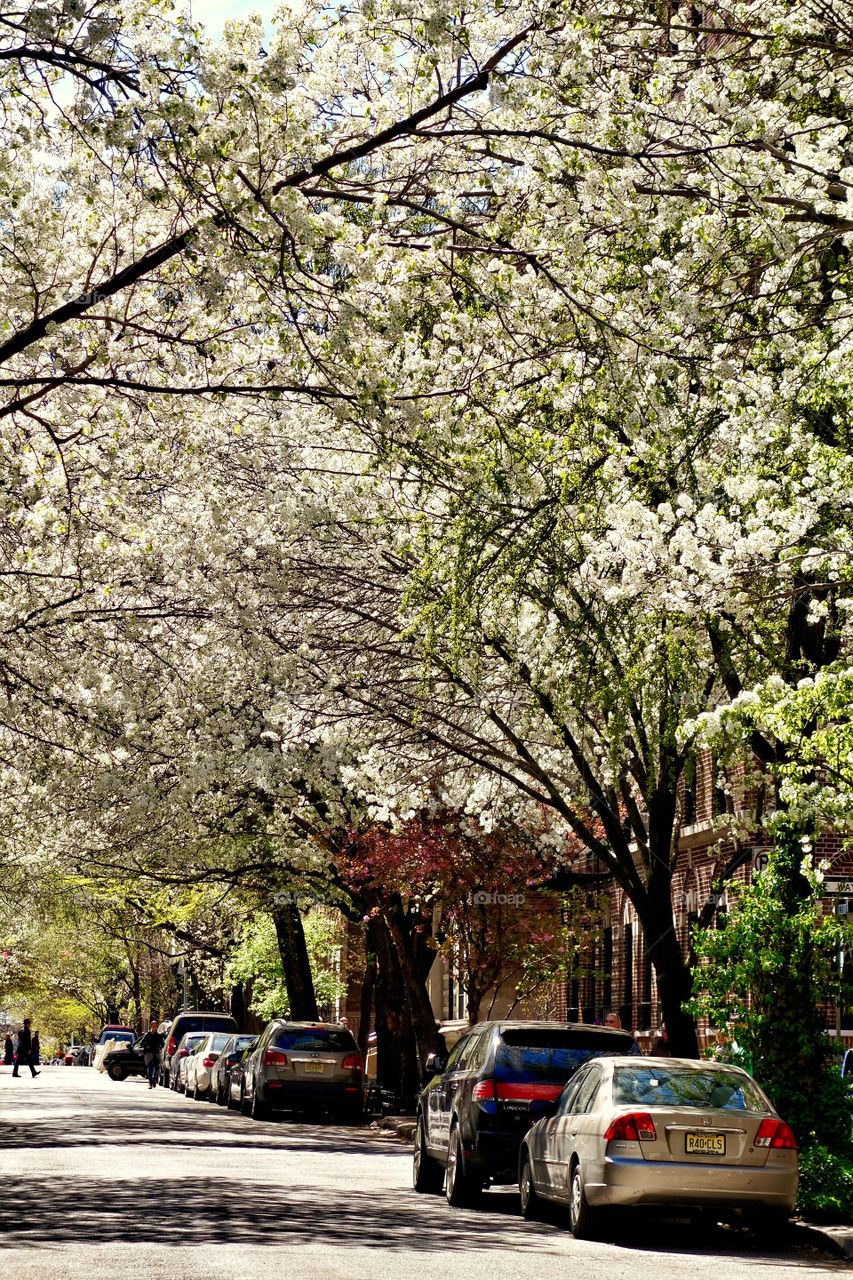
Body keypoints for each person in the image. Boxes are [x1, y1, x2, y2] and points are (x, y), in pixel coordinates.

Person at [139, 1019, 165, 1089]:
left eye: (156, 1025)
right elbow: (141, 1043)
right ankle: (150, 1083)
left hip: (156, 1053)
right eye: (153, 1025)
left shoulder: (159, 1036)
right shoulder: (147, 1035)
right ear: (151, 1026)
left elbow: (162, 1044)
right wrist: (146, 1046)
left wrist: (159, 1047)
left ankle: (154, 1080)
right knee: (150, 1068)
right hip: (149, 1053)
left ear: (157, 1027)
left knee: (157, 1068)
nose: (154, 1027)